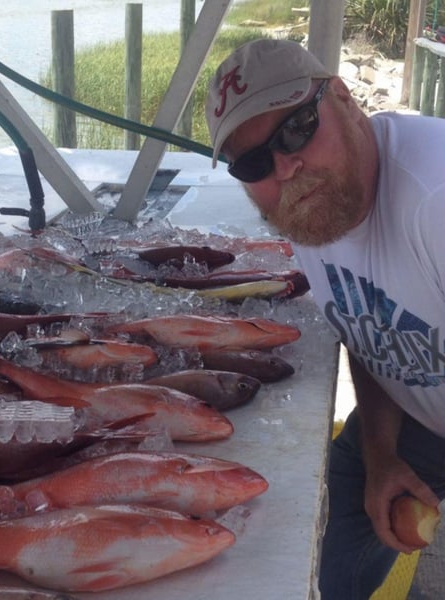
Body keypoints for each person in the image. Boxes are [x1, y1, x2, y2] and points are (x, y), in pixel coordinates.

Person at [204, 38, 445, 599]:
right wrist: (381, 456)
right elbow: (367, 327)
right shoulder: (312, 216)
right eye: (253, 162)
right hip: (422, 418)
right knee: (318, 544)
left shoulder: (434, 200)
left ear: (342, 98)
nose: (285, 167)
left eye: (296, 129)